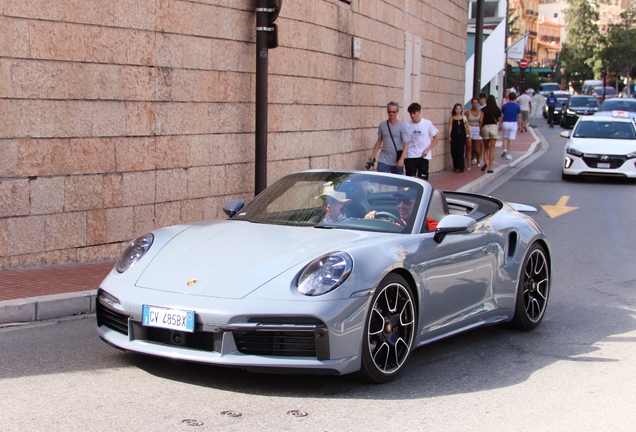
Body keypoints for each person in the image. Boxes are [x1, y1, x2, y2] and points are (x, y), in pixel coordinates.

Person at [369, 102, 409, 174]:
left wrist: (402, 159)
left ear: (397, 112)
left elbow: (406, 144)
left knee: (397, 183)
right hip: (384, 159)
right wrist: (373, 154)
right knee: (382, 182)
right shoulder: (382, 125)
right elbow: (379, 141)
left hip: (397, 160)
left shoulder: (402, 126)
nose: (391, 114)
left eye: (393, 112)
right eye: (389, 112)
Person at [404, 102, 439, 180]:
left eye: (414, 113)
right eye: (410, 114)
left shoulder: (427, 123)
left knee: (423, 180)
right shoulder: (406, 126)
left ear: (419, 112)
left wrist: (427, 149)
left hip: (423, 156)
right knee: (411, 180)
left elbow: (436, 138)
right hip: (411, 155)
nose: (412, 116)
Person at [479, 95, 501, 174]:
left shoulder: (483, 110)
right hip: (494, 127)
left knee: (485, 148)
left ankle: (485, 162)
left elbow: (481, 120)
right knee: (492, 149)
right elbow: (499, 119)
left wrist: (481, 129)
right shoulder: (497, 109)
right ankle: (490, 168)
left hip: (485, 127)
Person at [500, 92, 522, 160]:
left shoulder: (505, 106)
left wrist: (500, 124)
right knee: (511, 139)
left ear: (508, 97)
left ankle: (504, 149)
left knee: (505, 137)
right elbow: (519, 116)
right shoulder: (517, 106)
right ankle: (509, 154)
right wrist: (520, 125)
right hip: (513, 123)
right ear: (515, 98)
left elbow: (501, 115)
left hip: (505, 122)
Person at [448, 103, 467, 173]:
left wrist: (469, 136)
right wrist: (449, 136)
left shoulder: (464, 118)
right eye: (457, 109)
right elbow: (450, 127)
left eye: (459, 109)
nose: (458, 110)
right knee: (454, 151)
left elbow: (467, 127)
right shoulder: (452, 118)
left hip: (462, 136)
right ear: (454, 109)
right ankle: (455, 166)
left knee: (461, 151)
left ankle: (461, 167)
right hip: (454, 136)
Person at [465, 97, 484, 169]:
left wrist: (481, 131)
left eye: (476, 103)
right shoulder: (468, 112)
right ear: (471, 103)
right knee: (469, 147)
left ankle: (478, 160)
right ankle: (469, 165)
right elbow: (465, 120)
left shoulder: (481, 112)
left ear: (478, 103)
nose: (475, 104)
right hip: (470, 128)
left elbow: (481, 122)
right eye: (473, 103)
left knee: (476, 149)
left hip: (477, 128)